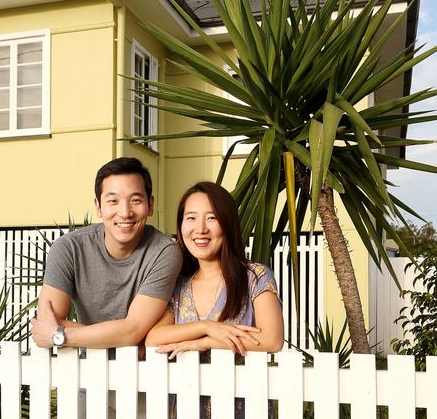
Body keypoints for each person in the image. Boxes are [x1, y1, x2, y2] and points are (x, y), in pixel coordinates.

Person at [31, 157, 182, 416]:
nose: (125, 212)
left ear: (151, 205)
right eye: (113, 200)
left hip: (146, 381)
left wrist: (62, 334)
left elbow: (132, 330)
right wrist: (125, 335)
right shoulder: (69, 248)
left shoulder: (165, 252)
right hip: (88, 376)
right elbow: (45, 321)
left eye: (136, 199)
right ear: (98, 207)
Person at [145, 181, 283, 418]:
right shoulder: (178, 285)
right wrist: (206, 327)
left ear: (228, 224)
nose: (200, 229)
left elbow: (272, 340)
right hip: (187, 407)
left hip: (245, 407)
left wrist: (204, 342)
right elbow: (154, 339)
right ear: (180, 226)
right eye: (191, 218)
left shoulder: (255, 276)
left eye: (211, 218)